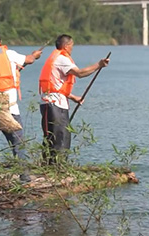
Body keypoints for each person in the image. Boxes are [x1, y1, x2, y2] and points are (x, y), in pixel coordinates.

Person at [0, 30, 42, 179]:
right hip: (9, 108)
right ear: (0, 42)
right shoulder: (8, 54)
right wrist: (35, 55)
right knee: (18, 142)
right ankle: (24, 174)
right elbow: (28, 60)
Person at [38, 34, 109, 165]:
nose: (72, 49)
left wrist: (72, 97)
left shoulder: (57, 58)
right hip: (52, 104)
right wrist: (98, 65)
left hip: (57, 103)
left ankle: (58, 166)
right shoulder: (61, 59)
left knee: (63, 136)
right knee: (56, 137)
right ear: (66, 46)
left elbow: (56, 85)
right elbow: (80, 73)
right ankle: (52, 167)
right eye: (72, 46)